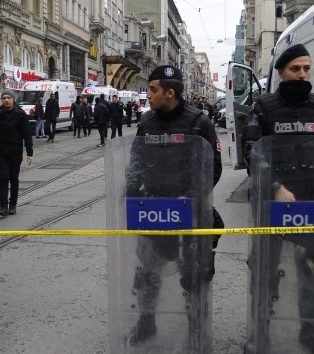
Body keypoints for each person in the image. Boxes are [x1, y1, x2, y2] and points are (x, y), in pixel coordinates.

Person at [241, 43, 314, 354]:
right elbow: (252, 151)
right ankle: (259, 332)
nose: (302, 74)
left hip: (313, 204)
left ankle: (310, 332)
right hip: (272, 204)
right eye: (295, 69)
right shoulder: (262, 109)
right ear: (282, 72)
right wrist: (274, 185)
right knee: (265, 270)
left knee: (311, 269)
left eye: (306, 68)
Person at [125, 65, 222, 345]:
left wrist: (190, 197)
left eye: (153, 89)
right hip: (154, 211)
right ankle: (146, 324)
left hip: (189, 213)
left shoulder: (199, 123)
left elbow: (212, 168)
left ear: (170, 93)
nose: (148, 94)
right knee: (147, 273)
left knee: (193, 276)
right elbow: (136, 164)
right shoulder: (146, 123)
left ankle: (196, 332)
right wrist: (131, 194)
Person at [0, 89, 34, 216]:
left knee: (14, 178)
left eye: (8, 98)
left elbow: (27, 134)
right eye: (3, 98)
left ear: (13, 99)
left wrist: (29, 153)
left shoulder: (20, 114)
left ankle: (13, 205)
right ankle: (3, 206)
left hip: (15, 152)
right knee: (3, 177)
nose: (6, 100)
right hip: (2, 152)